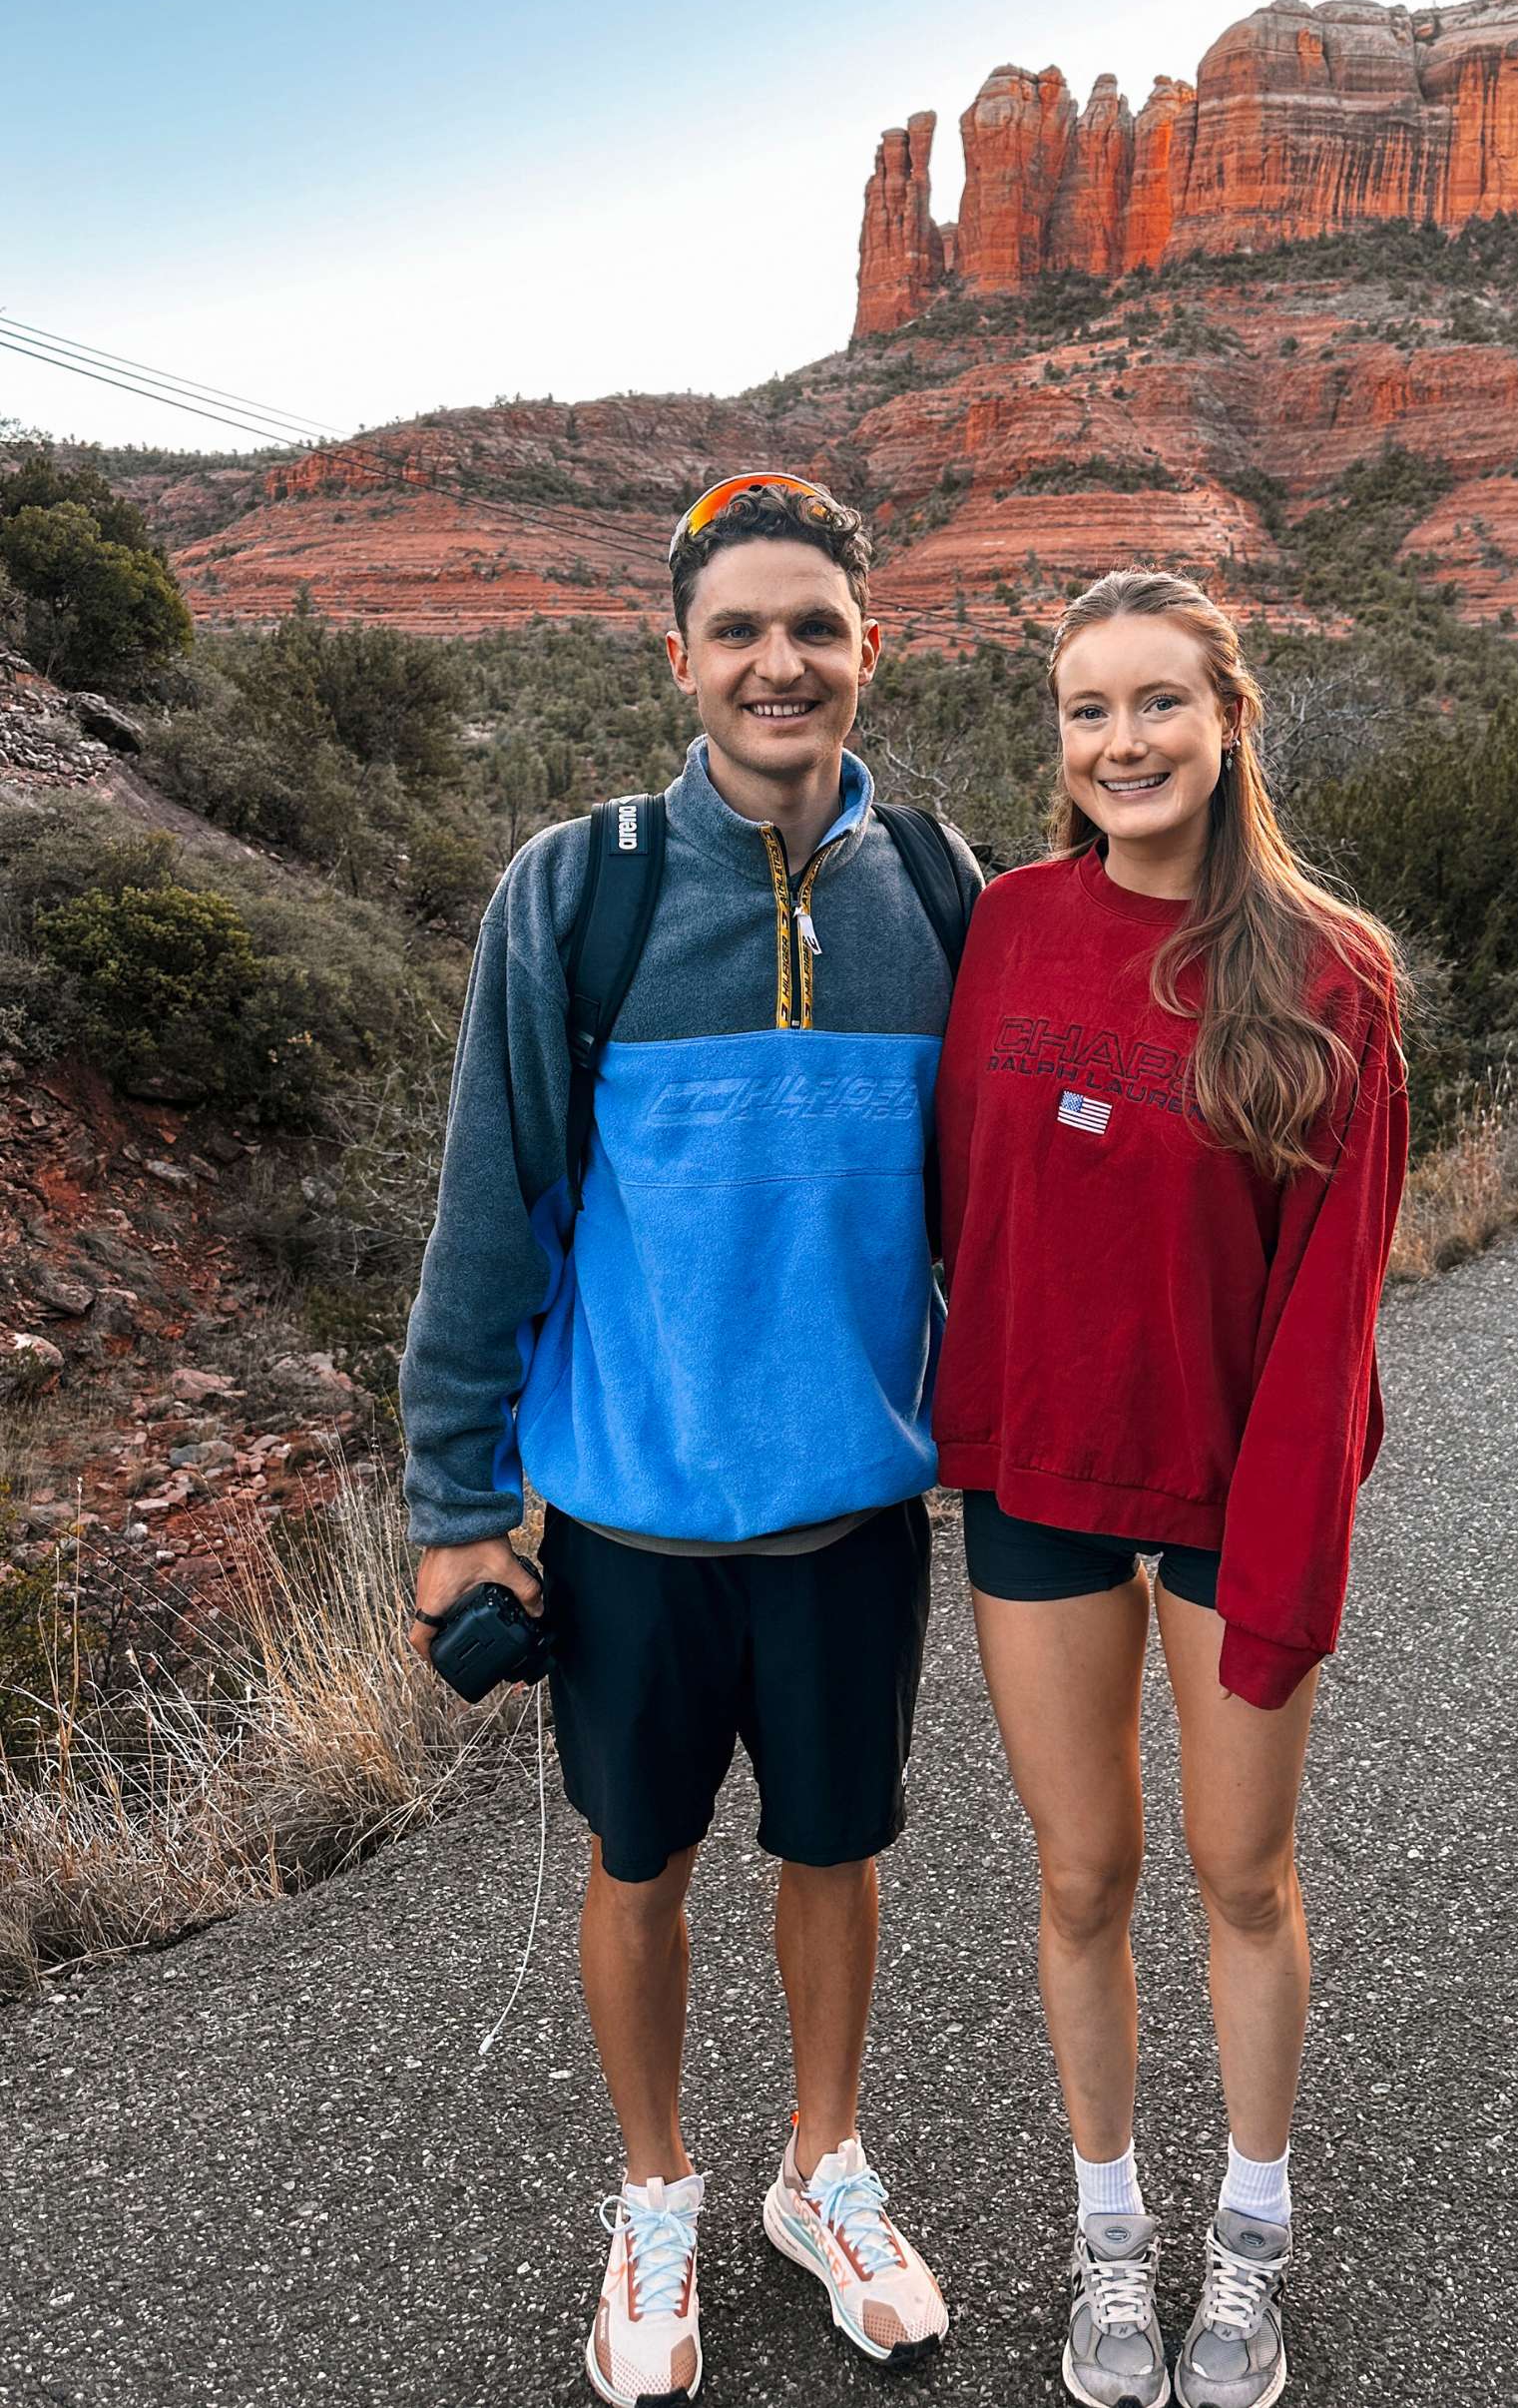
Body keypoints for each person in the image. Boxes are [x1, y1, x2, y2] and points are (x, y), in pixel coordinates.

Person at [398, 474, 978, 2407]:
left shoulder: (943, 893)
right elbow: (490, 1209)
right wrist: (456, 1500)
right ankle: (654, 2194)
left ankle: (825, 2169)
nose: (776, 662)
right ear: (680, 658)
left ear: (869, 647)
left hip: (852, 1515)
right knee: (635, 1862)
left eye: (813, 625)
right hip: (630, 1522)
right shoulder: (581, 891)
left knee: (835, 1850)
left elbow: (988, 1220)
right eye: (738, 630)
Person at [932, 568, 1410, 2408]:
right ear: (1058, 736)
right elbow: (958, 1195)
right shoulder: (1007, 928)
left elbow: (1333, 1308)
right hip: (1038, 1470)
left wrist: (1295, 1560)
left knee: (1239, 1872)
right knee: (1081, 1873)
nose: (1121, 742)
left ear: (1228, 722)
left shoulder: (1331, 970)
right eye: (1087, 710)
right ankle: (1110, 2237)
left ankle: (1253, 2242)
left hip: (1230, 1490)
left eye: (1157, 704)